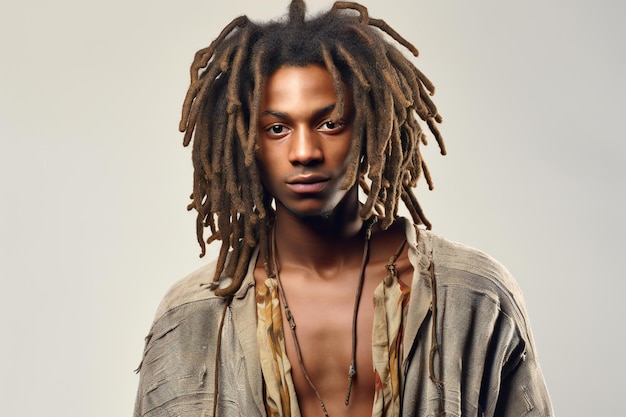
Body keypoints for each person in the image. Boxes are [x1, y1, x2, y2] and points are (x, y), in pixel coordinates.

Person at [133, 1, 553, 416]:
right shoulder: (192, 315)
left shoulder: (474, 296)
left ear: (371, 126)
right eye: (277, 129)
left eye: (330, 123)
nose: (304, 152)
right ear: (247, 141)